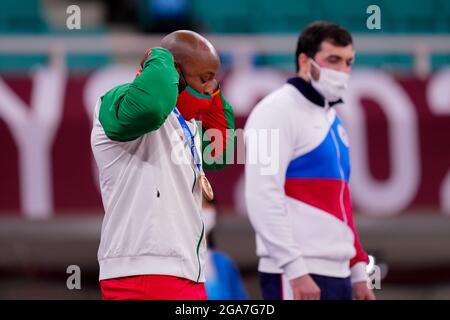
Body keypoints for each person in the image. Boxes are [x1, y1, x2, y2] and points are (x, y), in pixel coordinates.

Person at [91, 30, 235, 300]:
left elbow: (221, 153)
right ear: (176, 74)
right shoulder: (117, 102)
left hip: (186, 270)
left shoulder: (188, 125)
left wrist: (212, 91)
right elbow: (152, 106)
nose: (211, 88)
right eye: (205, 78)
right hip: (144, 270)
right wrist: (160, 57)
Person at [244, 21, 376, 300]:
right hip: (297, 273)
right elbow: (261, 196)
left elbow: (341, 204)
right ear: (304, 61)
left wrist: (358, 270)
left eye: (348, 62)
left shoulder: (333, 120)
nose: (342, 71)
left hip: (338, 274)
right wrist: (295, 270)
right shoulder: (274, 112)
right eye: (333, 60)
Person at [202, 199, 248, 300]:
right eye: (197, 204)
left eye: (205, 205)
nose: (202, 211)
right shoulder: (173, 264)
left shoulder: (224, 263)